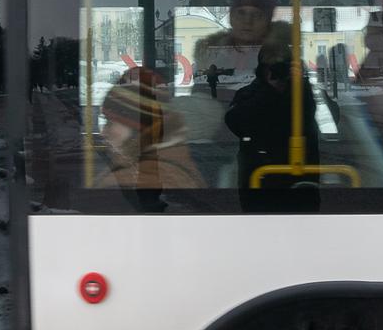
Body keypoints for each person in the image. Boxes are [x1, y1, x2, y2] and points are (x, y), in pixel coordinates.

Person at [224, 43, 320, 212]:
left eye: (282, 66)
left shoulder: (302, 92)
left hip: (300, 181)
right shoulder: (249, 94)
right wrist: (269, 91)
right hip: (259, 182)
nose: (278, 72)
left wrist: (301, 87)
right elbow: (235, 122)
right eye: (272, 67)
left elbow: (329, 118)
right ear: (262, 69)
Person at [96, 67, 201, 210]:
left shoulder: (153, 172)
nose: (103, 132)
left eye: (110, 122)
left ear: (138, 128)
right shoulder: (141, 162)